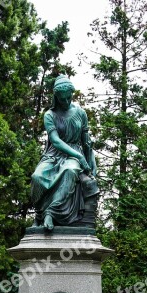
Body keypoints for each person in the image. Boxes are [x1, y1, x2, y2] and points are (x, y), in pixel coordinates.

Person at [31, 75, 99, 231]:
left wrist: (91, 163)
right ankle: (39, 214)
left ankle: (51, 212)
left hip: (74, 153)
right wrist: (79, 157)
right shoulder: (50, 115)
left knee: (69, 170)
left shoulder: (80, 113)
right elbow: (54, 140)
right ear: (56, 98)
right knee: (37, 176)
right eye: (63, 99)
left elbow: (86, 142)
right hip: (54, 154)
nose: (67, 101)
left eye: (69, 98)